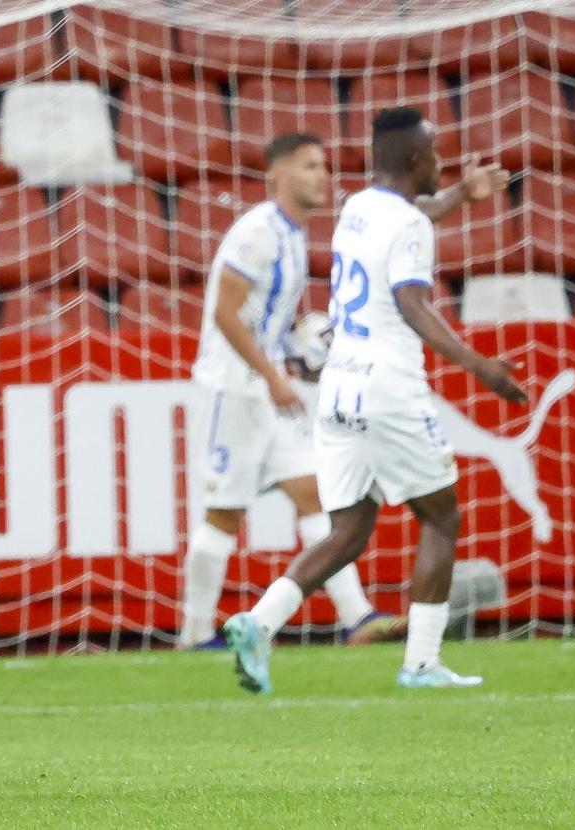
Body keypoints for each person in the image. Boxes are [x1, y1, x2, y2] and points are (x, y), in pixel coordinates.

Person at [223, 107, 527, 693]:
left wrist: (462, 193)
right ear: (416, 160)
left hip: (339, 385)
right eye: (436, 156)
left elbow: (410, 218)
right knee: (440, 518)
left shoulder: (359, 207)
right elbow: (412, 303)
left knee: (349, 529)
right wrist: (478, 365)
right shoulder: (410, 227)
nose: (440, 163)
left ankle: (259, 624)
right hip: (390, 389)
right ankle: (421, 662)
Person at [182, 133, 391, 650]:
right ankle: (194, 633)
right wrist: (275, 377)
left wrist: (301, 349)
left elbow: (268, 319)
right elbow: (225, 315)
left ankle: (357, 619)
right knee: (224, 512)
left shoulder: (293, 235)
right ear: (277, 173)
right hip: (233, 388)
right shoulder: (258, 233)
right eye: (308, 165)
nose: (321, 175)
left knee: (314, 493)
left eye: (323, 165)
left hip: (268, 387)